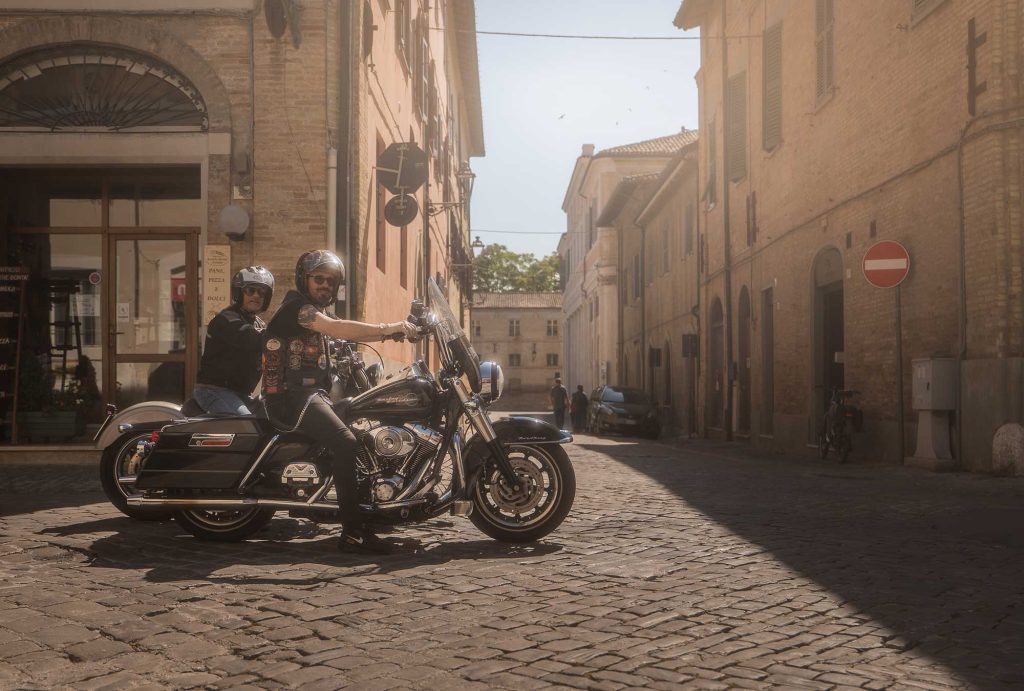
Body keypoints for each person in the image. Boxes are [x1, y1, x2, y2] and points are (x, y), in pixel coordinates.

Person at [262, 250, 417, 554]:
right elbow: (338, 328)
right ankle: (352, 533)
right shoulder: (298, 309)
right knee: (346, 443)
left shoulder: (316, 312)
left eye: (330, 282)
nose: (324, 286)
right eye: (318, 279)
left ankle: (368, 513)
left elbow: (345, 330)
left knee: (362, 432)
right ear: (303, 279)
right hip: (291, 397)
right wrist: (390, 329)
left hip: (311, 395)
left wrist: (405, 331)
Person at [192, 266, 274, 415]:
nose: (256, 295)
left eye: (262, 292)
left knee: (268, 418)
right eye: (250, 290)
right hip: (214, 390)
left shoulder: (259, 324)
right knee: (246, 426)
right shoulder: (226, 319)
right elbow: (251, 339)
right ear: (239, 292)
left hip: (240, 394)